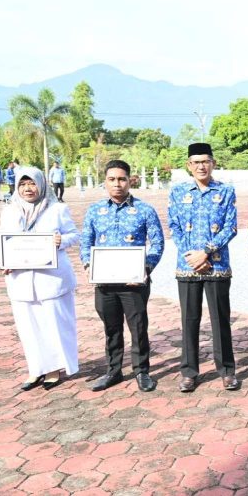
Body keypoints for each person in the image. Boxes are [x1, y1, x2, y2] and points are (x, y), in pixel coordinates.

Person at [80, 160, 165, 392]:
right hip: (105, 282)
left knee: (138, 327)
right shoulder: (95, 210)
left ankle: (141, 371)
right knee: (111, 328)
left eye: (121, 179)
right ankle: (113, 371)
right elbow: (86, 241)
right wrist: (89, 265)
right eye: (112, 179)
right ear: (105, 181)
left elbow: (157, 242)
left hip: (134, 283)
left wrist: (145, 269)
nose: (117, 184)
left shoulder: (145, 210)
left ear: (130, 180)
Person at [0, 166, 79, 391]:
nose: (28, 188)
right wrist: (2, 261)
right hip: (21, 281)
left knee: (53, 324)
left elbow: (74, 235)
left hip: (51, 280)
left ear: (41, 185)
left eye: (32, 183)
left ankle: (54, 369)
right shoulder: (9, 211)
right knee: (28, 328)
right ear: (16, 187)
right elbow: (1, 240)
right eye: (23, 184)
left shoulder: (57, 209)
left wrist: (60, 241)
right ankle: (36, 369)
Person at [168, 142, 239, 393]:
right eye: (196, 162)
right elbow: (174, 226)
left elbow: (231, 227)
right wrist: (192, 257)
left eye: (205, 161)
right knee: (189, 320)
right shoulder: (178, 192)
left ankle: (227, 371)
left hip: (217, 265)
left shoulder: (226, 191)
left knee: (220, 319)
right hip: (187, 266)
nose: (201, 166)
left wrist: (206, 252)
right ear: (189, 165)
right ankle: (189, 372)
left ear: (213, 163)